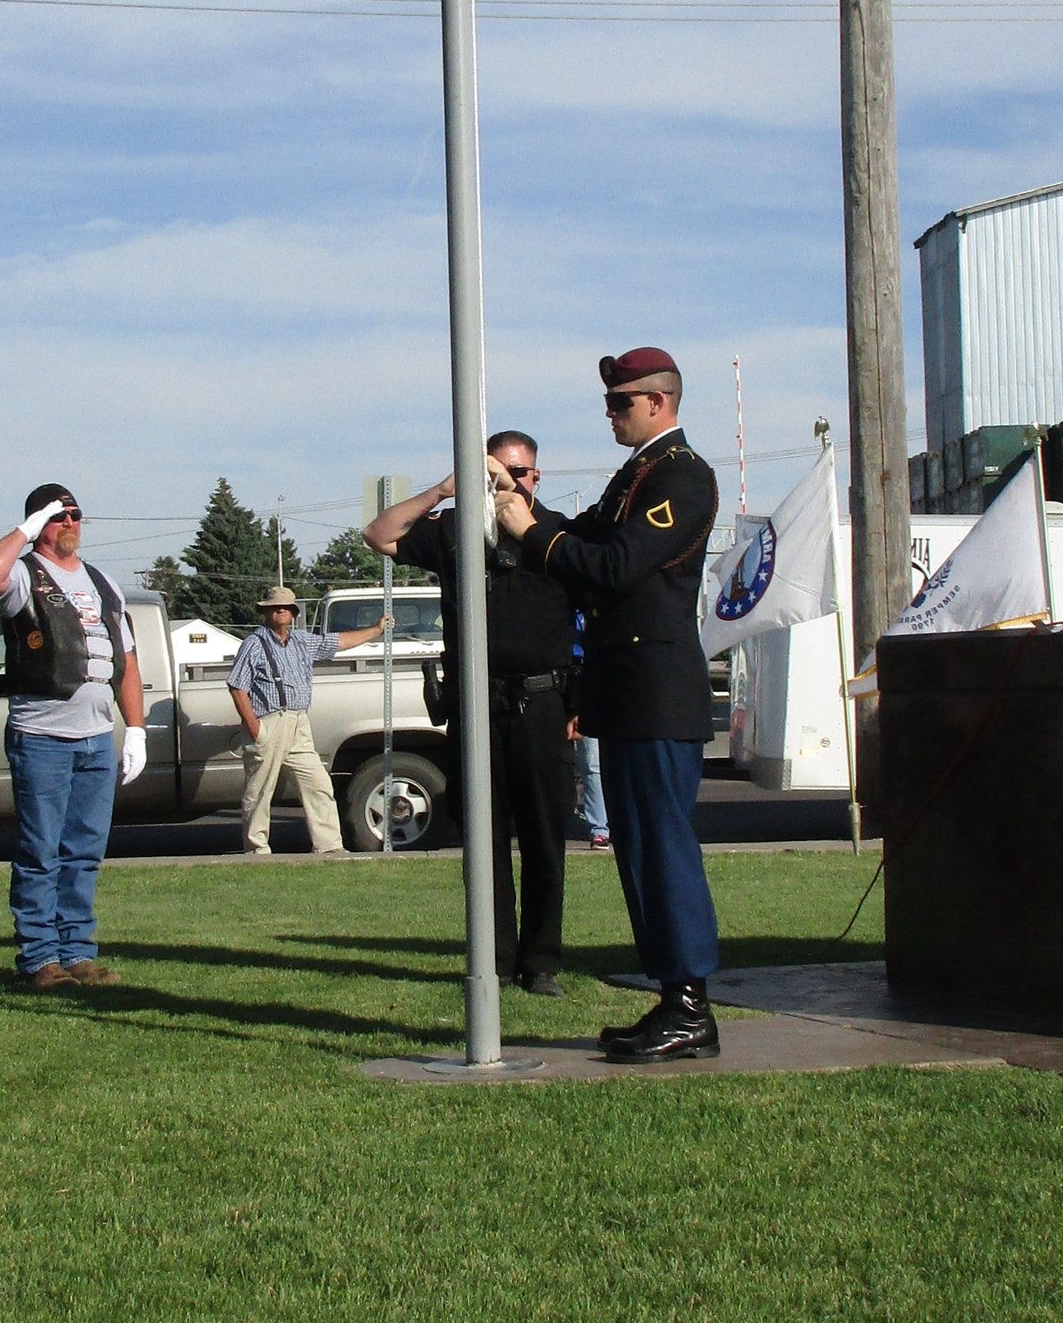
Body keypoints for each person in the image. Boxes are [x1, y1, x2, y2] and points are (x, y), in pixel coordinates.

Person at [492, 348, 723, 1061]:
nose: (610, 413)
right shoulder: (637, 475)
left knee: (663, 849)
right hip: (626, 697)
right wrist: (519, 500)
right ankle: (674, 999)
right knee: (639, 852)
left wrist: (529, 530)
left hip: (656, 693)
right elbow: (587, 534)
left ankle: (689, 1003)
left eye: (621, 402)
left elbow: (616, 563)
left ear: (659, 401)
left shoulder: (683, 476)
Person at [370, 434, 576, 991]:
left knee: (543, 840)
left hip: (541, 703)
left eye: (523, 473)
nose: (513, 482)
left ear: (538, 476)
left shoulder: (556, 533)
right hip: (477, 705)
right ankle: (496, 960)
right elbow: (379, 534)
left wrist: (577, 706)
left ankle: (541, 963)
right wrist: (444, 489)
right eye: (499, 473)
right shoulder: (457, 532)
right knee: (483, 841)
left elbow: (591, 609)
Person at [0, 485, 146, 988]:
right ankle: (40, 957)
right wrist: (26, 530)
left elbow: (125, 661)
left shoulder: (103, 581)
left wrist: (135, 729)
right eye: (56, 516)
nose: (68, 523)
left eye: (74, 514)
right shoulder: (23, 575)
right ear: (37, 523)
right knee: (40, 850)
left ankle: (78, 952)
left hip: (95, 736)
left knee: (85, 849)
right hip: (41, 734)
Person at [225, 586, 381, 857]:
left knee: (318, 784)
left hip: (299, 724)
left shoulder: (301, 641)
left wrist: (376, 630)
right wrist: (256, 729)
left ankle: (329, 846)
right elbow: (237, 687)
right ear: (266, 612)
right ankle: (256, 850)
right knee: (260, 791)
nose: (281, 611)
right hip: (270, 722)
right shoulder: (254, 643)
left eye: (286, 607)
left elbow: (337, 642)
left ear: (294, 613)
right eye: (275, 607)